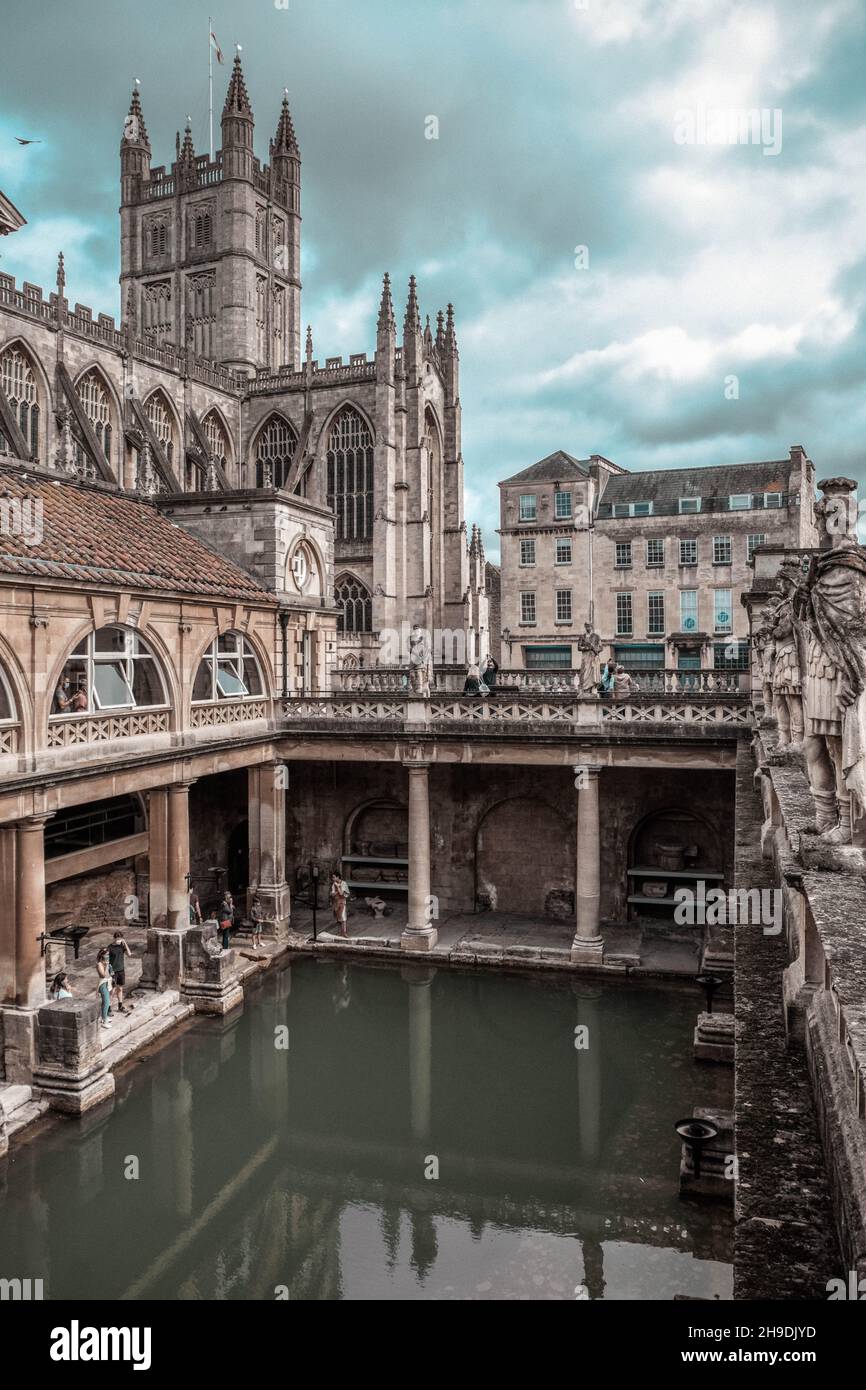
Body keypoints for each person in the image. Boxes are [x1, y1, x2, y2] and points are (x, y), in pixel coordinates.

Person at [107, 930, 132, 1014]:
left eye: (120, 939)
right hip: (113, 972)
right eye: (117, 939)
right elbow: (106, 961)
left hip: (121, 970)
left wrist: (125, 943)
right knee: (112, 990)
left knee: (120, 988)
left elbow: (129, 954)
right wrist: (109, 971)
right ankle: (108, 1008)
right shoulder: (110, 947)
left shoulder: (122, 946)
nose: (119, 940)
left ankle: (120, 1006)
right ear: (114, 938)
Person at [96, 948, 113, 1029]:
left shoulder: (106, 963)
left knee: (107, 1001)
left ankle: (105, 1016)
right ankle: (104, 1021)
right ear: (102, 954)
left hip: (108, 983)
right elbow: (103, 975)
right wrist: (106, 966)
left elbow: (110, 974)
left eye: (108, 954)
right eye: (106, 954)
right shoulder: (99, 964)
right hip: (103, 983)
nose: (108, 956)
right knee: (106, 1002)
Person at [330, 871, 350, 937]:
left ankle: (344, 932)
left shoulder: (344, 883)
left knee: (343, 917)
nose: (333, 878)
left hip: (342, 902)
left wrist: (338, 887)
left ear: (337, 877)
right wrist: (335, 891)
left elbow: (342, 893)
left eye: (334, 877)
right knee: (338, 918)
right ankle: (340, 932)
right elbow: (332, 894)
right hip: (336, 902)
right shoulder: (333, 884)